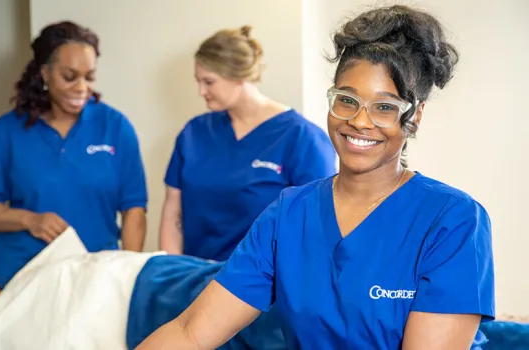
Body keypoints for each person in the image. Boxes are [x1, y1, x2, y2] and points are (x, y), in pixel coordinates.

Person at [136, 5, 496, 350]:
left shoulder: (452, 220)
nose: (359, 120)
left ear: (414, 116)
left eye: (385, 107)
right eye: (346, 100)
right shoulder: (288, 215)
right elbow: (191, 332)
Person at [0, 20, 148, 289]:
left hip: (95, 279)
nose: (82, 88)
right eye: (70, 76)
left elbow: (134, 209)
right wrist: (30, 219)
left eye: (89, 77)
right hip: (21, 280)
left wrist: (131, 277)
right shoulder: (6, 131)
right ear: (45, 73)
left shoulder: (115, 127)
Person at [0, 228, 287, 349]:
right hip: (140, 307)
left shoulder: (11, 303)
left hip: (146, 273)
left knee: (258, 285)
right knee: (263, 314)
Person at [159, 25, 338, 261]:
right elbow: (173, 214)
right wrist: (172, 271)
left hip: (264, 288)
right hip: (193, 280)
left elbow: (316, 228)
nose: (201, 91)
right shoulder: (194, 133)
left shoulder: (302, 138)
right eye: (198, 82)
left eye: (209, 82)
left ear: (238, 77)